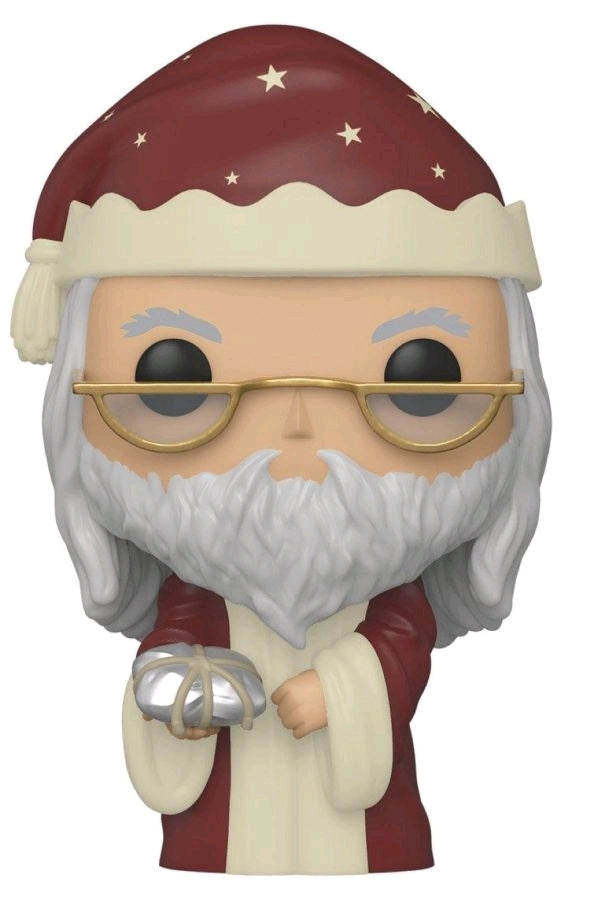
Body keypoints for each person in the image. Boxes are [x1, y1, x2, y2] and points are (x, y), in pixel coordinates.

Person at [10, 24, 550, 874]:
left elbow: (399, 647)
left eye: (420, 376)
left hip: (368, 833)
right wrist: (177, 699)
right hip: (220, 830)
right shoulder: (198, 591)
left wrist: (339, 692)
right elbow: (170, 652)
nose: (298, 423)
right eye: (176, 376)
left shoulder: (390, 594)